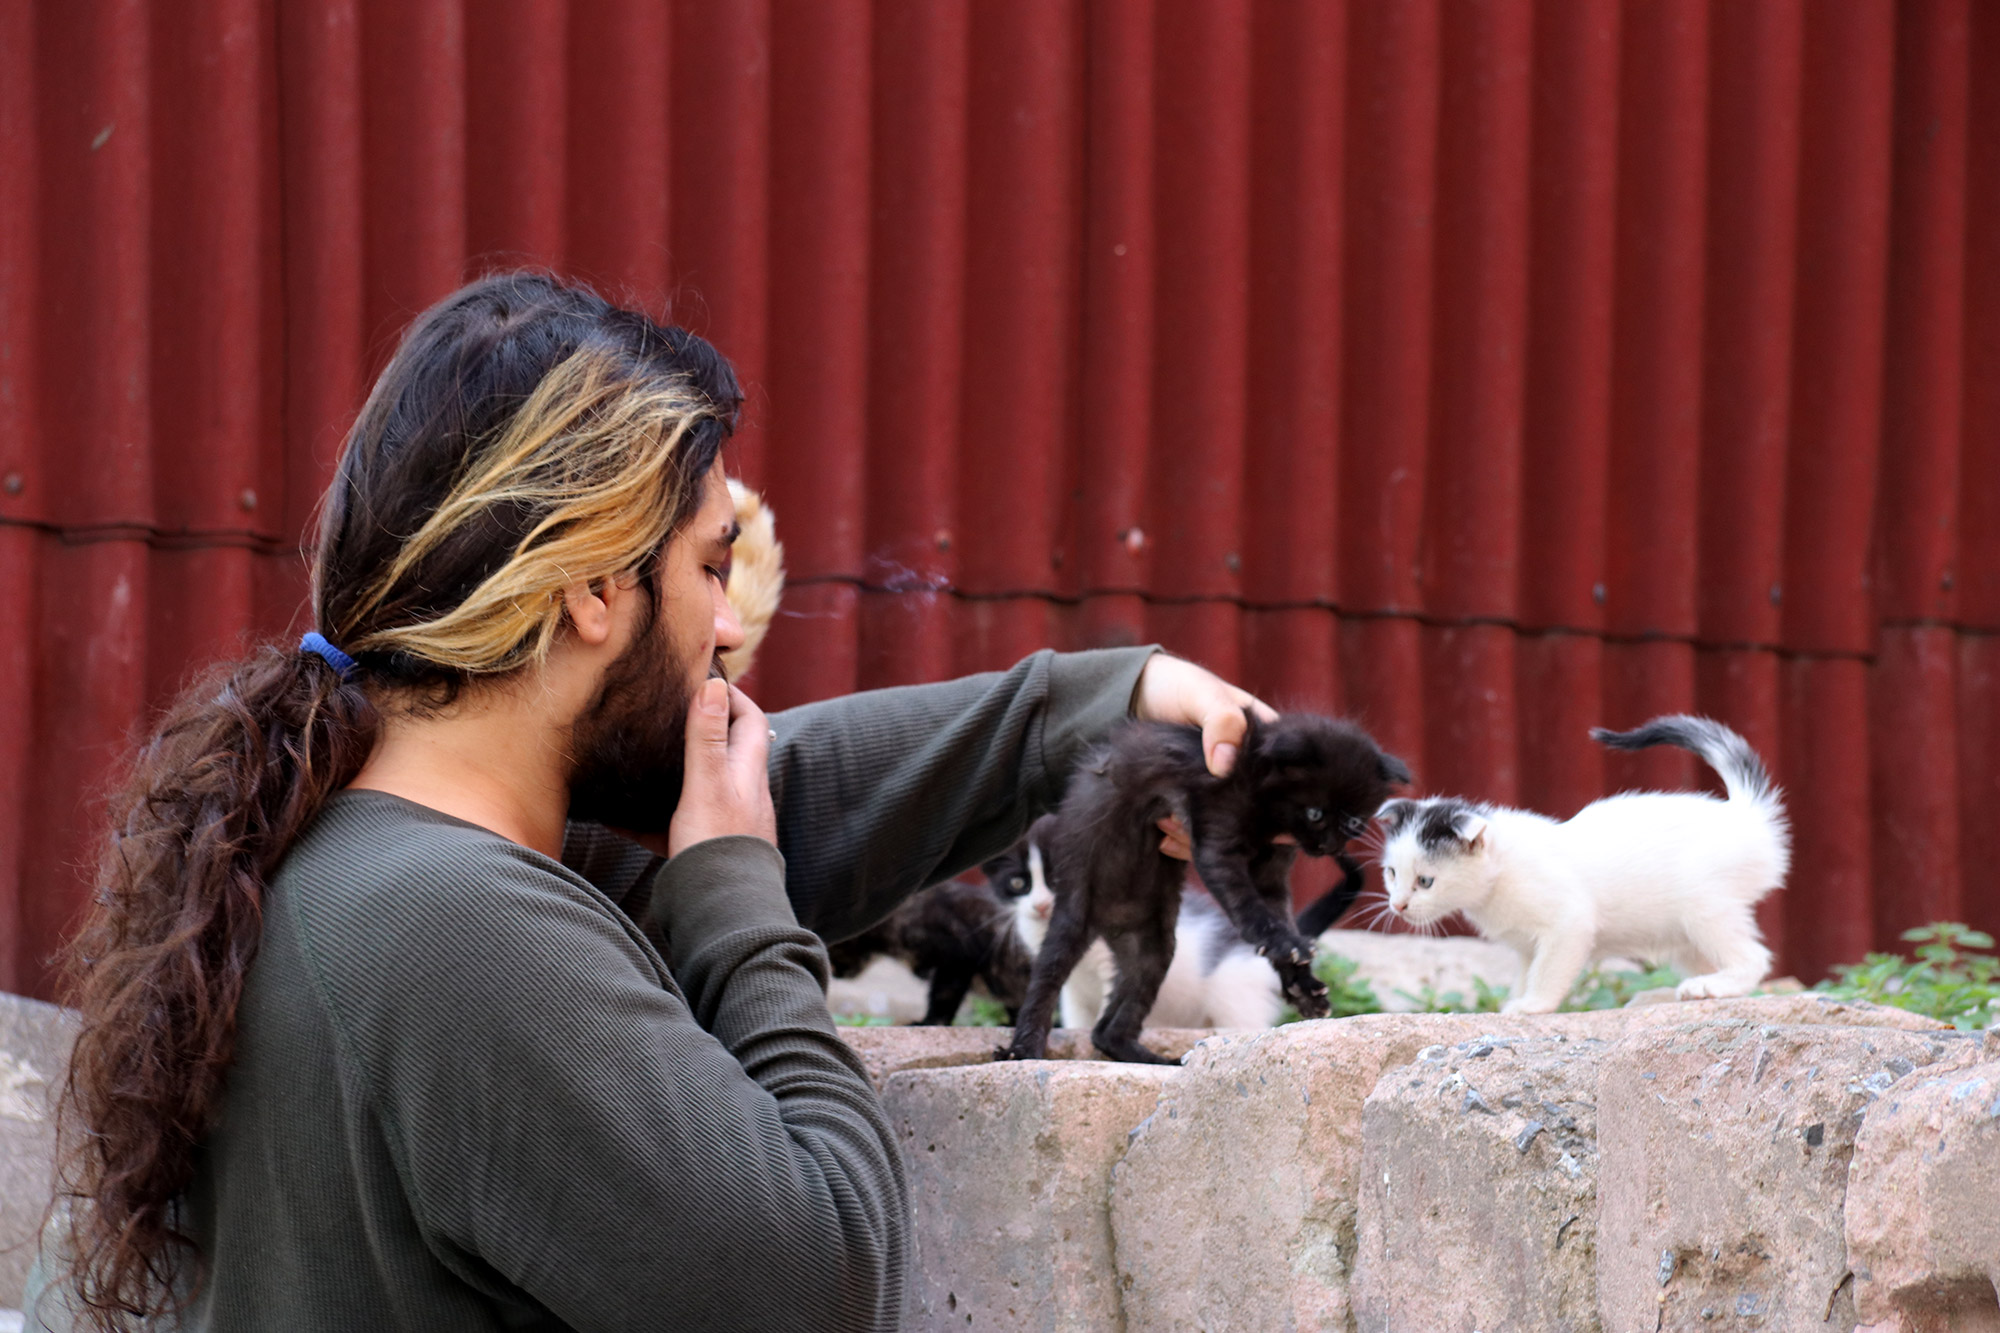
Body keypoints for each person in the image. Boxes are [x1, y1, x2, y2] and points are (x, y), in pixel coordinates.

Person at [27, 273, 1271, 1332]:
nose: (731, 626)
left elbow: (766, 804)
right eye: (711, 565)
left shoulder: (358, 848)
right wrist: (739, 903)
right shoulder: (456, 933)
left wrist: (1097, 705)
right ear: (586, 588)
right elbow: (815, 1272)